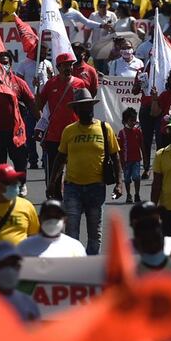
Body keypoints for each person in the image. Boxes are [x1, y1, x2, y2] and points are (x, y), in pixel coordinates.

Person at [47, 89, 122, 255]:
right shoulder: (69, 131)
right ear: (75, 111)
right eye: (82, 108)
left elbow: (115, 157)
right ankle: (74, 267)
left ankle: (91, 267)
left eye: (88, 106)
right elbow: (59, 159)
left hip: (96, 187)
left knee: (95, 233)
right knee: (71, 232)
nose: (86, 110)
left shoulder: (104, 128)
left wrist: (119, 183)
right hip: (73, 188)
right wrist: (52, 183)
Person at [34, 52, 88, 185]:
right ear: (58, 67)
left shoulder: (80, 83)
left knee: (76, 169)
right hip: (54, 136)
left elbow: (86, 106)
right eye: (65, 65)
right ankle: (53, 195)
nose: (68, 68)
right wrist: (36, 90)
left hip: (75, 134)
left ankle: (72, 197)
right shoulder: (51, 84)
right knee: (53, 169)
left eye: (70, 65)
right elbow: (39, 106)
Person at [0, 50, 35, 192]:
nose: (3, 65)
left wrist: (41, 124)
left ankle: (21, 184)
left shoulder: (19, 82)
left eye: (5, 63)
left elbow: (32, 103)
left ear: (11, 64)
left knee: (20, 161)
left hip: (16, 131)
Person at [130, 201, 171, 277]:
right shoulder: (124, 251)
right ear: (134, 224)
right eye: (148, 221)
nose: (152, 227)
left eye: (156, 220)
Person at [17, 199, 88, 257]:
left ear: (65, 220)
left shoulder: (75, 247)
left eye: (56, 217)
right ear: (39, 219)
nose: (52, 220)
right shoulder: (25, 247)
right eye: (48, 216)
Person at [118, 107, 144, 203]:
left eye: (134, 120)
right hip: (126, 161)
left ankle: (137, 194)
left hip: (136, 160)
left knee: (136, 177)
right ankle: (129, 195)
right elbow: (119, 149)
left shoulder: (137, 131)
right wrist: (120, 162)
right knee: (127, 179)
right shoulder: (122, 133)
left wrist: (145, 159)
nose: (133, 122)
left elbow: (142, 145)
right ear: (125, 121)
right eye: (131, 120)